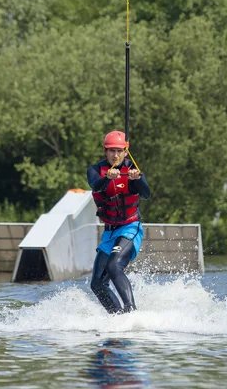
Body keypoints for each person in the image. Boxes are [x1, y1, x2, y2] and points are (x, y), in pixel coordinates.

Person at [87, 130, 150, 314]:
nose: (115, 155)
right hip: (109, 233)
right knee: (97, 283)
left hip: (130, 228)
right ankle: (118, 316)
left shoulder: (132, 170)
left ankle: (131, 311)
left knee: (114, 266)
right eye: (111, 151)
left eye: (119, 151)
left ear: (125, 151)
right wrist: (107, 178)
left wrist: (138, 180)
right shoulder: (95, 171)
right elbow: (95, 185)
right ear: (105, 152)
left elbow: (146, 194)